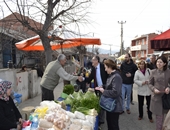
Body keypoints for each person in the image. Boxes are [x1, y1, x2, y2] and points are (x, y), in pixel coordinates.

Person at [95, 59, 122, 130]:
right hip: (110, 106)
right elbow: (109, 86)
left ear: (110, 67)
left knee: (114, 126)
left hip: (114, 106)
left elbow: (115, 92)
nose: (105, 69)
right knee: (110, 124)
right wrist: (102, 86)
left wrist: (104, 91)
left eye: (106, 67)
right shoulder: (111, 75)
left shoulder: (116, 77)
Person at [85, 55, 108, 128]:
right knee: (99, 103)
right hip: (97, 88)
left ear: (97, 61)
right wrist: (82, 78)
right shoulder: (94, 68)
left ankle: (101, 120)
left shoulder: (103, 66)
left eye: (93, 60)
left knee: (102, 103)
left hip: (104, 88)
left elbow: (108, 76)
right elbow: (90, 77)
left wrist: (106, 86)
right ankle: (100, 119)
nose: (92, 61)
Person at [148, 56, 170, 130]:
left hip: (167, 98)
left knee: (167, 118)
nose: (158, 63)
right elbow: (149, 83)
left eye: (161, 62)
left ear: (164, 63)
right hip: (157, 98)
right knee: (159, 119)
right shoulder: (153, 72)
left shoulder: (168, 71)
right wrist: (154, 89)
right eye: (157, 62)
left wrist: (168, 88)